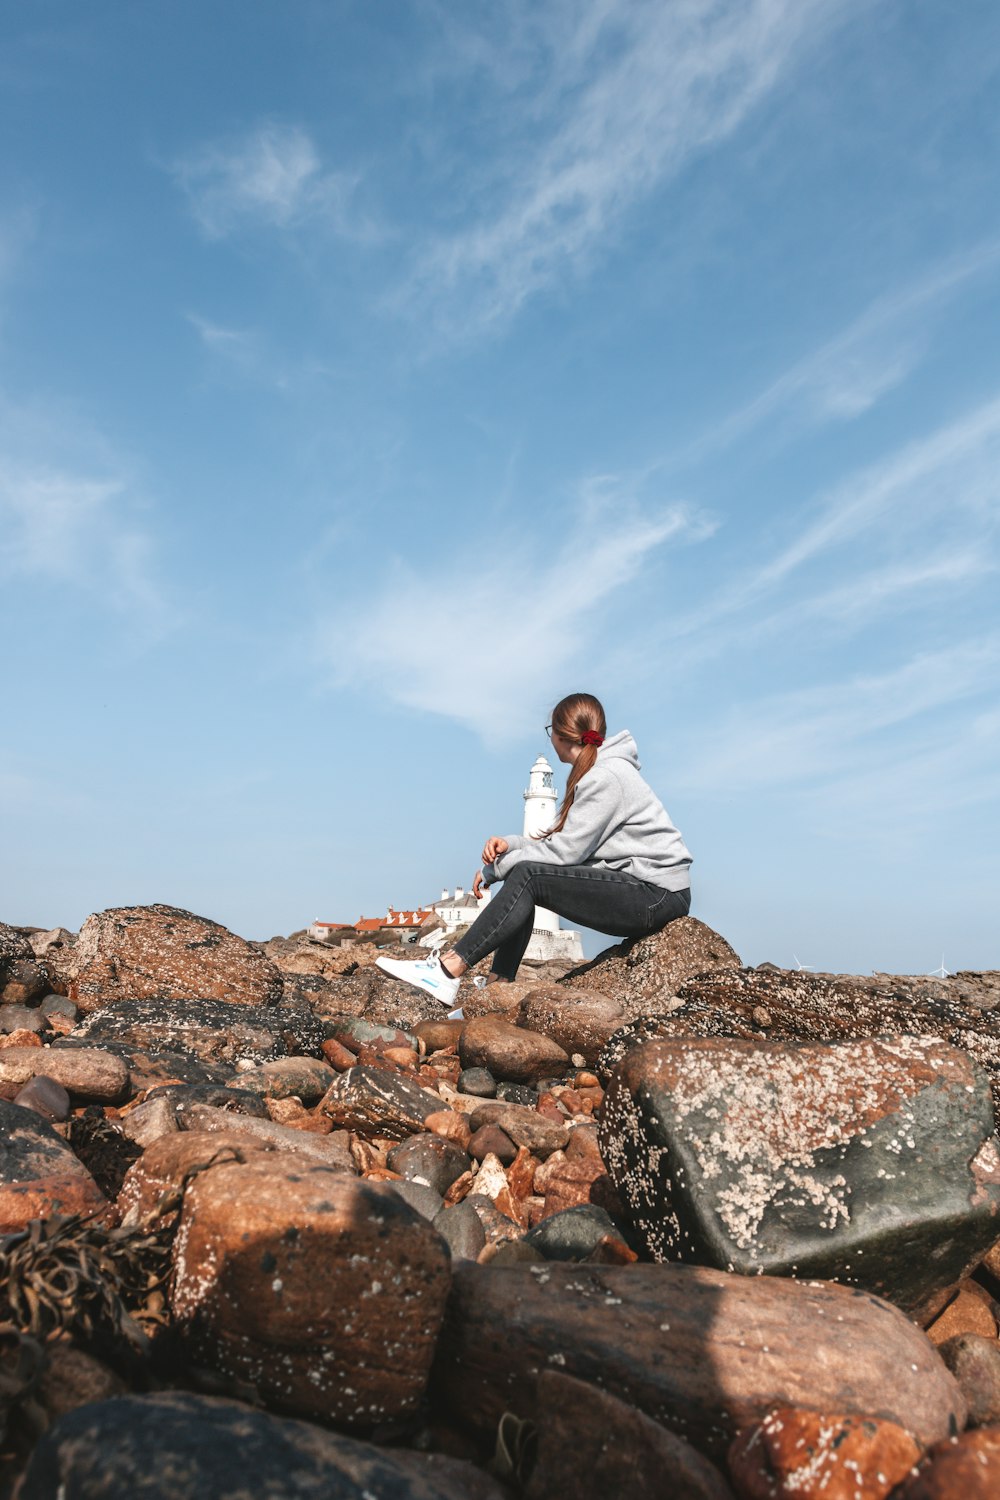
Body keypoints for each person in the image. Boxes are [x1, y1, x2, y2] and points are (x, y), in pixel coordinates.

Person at [375, 692, 692, 1008]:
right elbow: (560, 841)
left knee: (529, 876)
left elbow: (564, 853)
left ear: (560, 734)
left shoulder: (605, 777)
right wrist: (510, 845)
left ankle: (447, 969)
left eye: (549, 732)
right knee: (528, 877)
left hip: (657, 894)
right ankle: (497, 989)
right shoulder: (597, 771)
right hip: (649, 890)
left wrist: (495, 869)